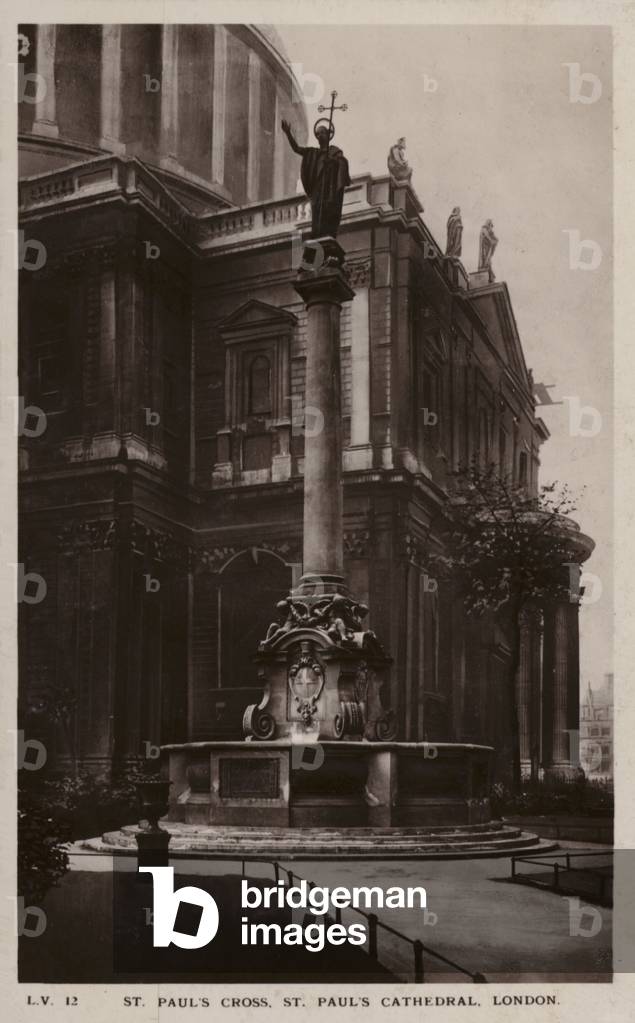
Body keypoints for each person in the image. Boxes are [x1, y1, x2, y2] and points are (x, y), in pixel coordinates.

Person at [281, 118, 351, 238]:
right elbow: (297, 149)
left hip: (329, 190)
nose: (319, 136)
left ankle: (328, 235)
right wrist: (288, 133)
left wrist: (332, 161)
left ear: (328, 135)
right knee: (317, 215)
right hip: (317, 190)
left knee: (328, 213)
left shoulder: (334, 151)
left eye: (322, 133)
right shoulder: (313, 153)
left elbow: (342, 163)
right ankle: (317, 235)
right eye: (317, 134)